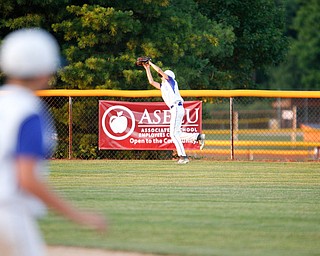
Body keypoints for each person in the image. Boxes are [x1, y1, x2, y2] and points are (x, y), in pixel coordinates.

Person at [0, 28, 106, 256]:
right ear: (43, 71)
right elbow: (27, 179)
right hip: (7, 213)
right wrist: (79, 215)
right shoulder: (27, 110)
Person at [143, 60, 205, 164]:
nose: (161, 76)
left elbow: (159, 70)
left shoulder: (171, 81)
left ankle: (183, 157)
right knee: (177, 133)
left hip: (176, 107)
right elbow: (151, 82)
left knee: (173, 134)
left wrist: (150, 62)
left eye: (163, 75)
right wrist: (147, 68)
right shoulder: (163, 86)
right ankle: (197, 137)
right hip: (175, 109)